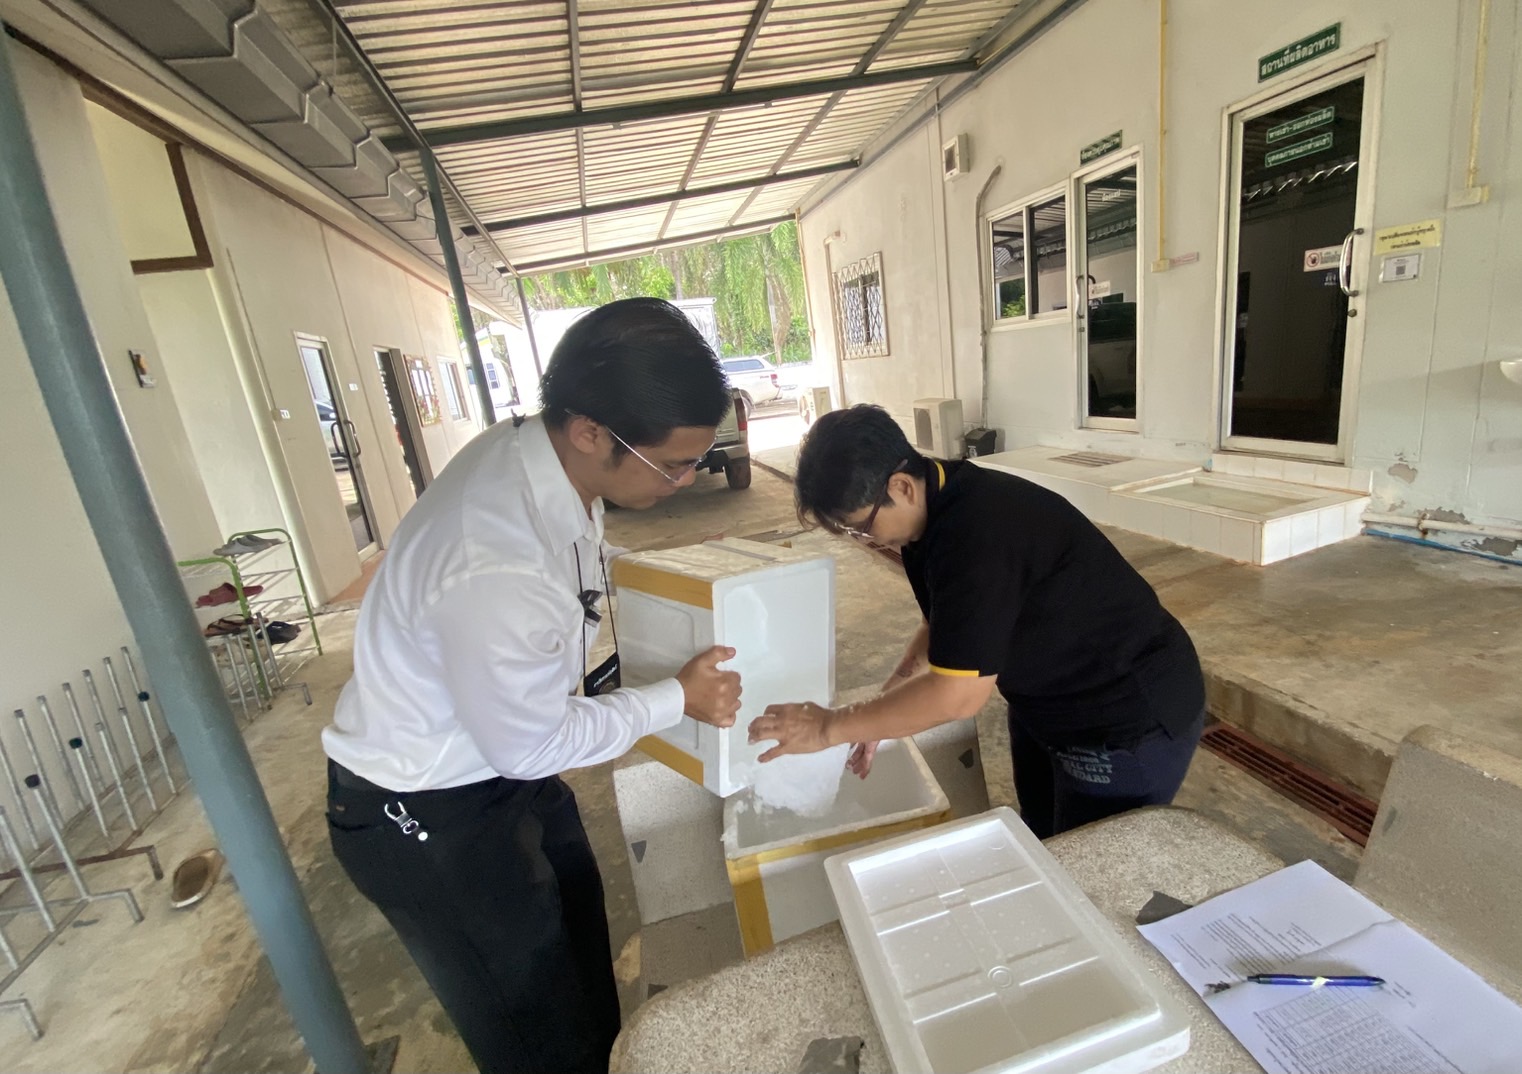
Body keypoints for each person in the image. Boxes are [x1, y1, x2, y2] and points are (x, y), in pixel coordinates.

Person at [322, 298, 743, 1074]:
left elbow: (573, 569)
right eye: (671, 465)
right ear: (590, 431)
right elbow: (532, 742)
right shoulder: (493, 559)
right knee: (539, 1036)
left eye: (697, 459)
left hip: (500, 767)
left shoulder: (535, 452)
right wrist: (675, 698)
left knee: (579, 952)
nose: (685, 481)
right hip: (426, 809)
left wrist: (667, 576)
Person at [747, 404, 1204, 839]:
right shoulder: (932, 506)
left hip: (1124, 716)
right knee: (1040, 836)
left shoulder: (977, 535)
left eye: (860, 528)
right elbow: (944, 627)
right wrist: (878, 715)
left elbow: (959, 695)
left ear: (901, 487)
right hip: (1046, 704)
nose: (864, 540)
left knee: (1083, 865)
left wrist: (830, 727)